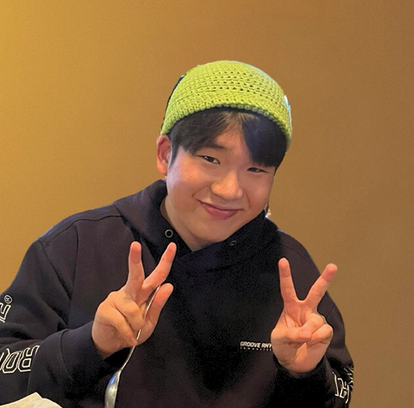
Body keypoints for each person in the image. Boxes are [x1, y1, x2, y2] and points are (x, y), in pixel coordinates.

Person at [0, 61, 353, 407]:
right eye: (210, 159)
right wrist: (91, 344)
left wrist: (305, 373)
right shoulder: (76, 247)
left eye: (256, 169)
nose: (230, 190)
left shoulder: (290, 272)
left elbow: (340, 390)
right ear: (165, 153)